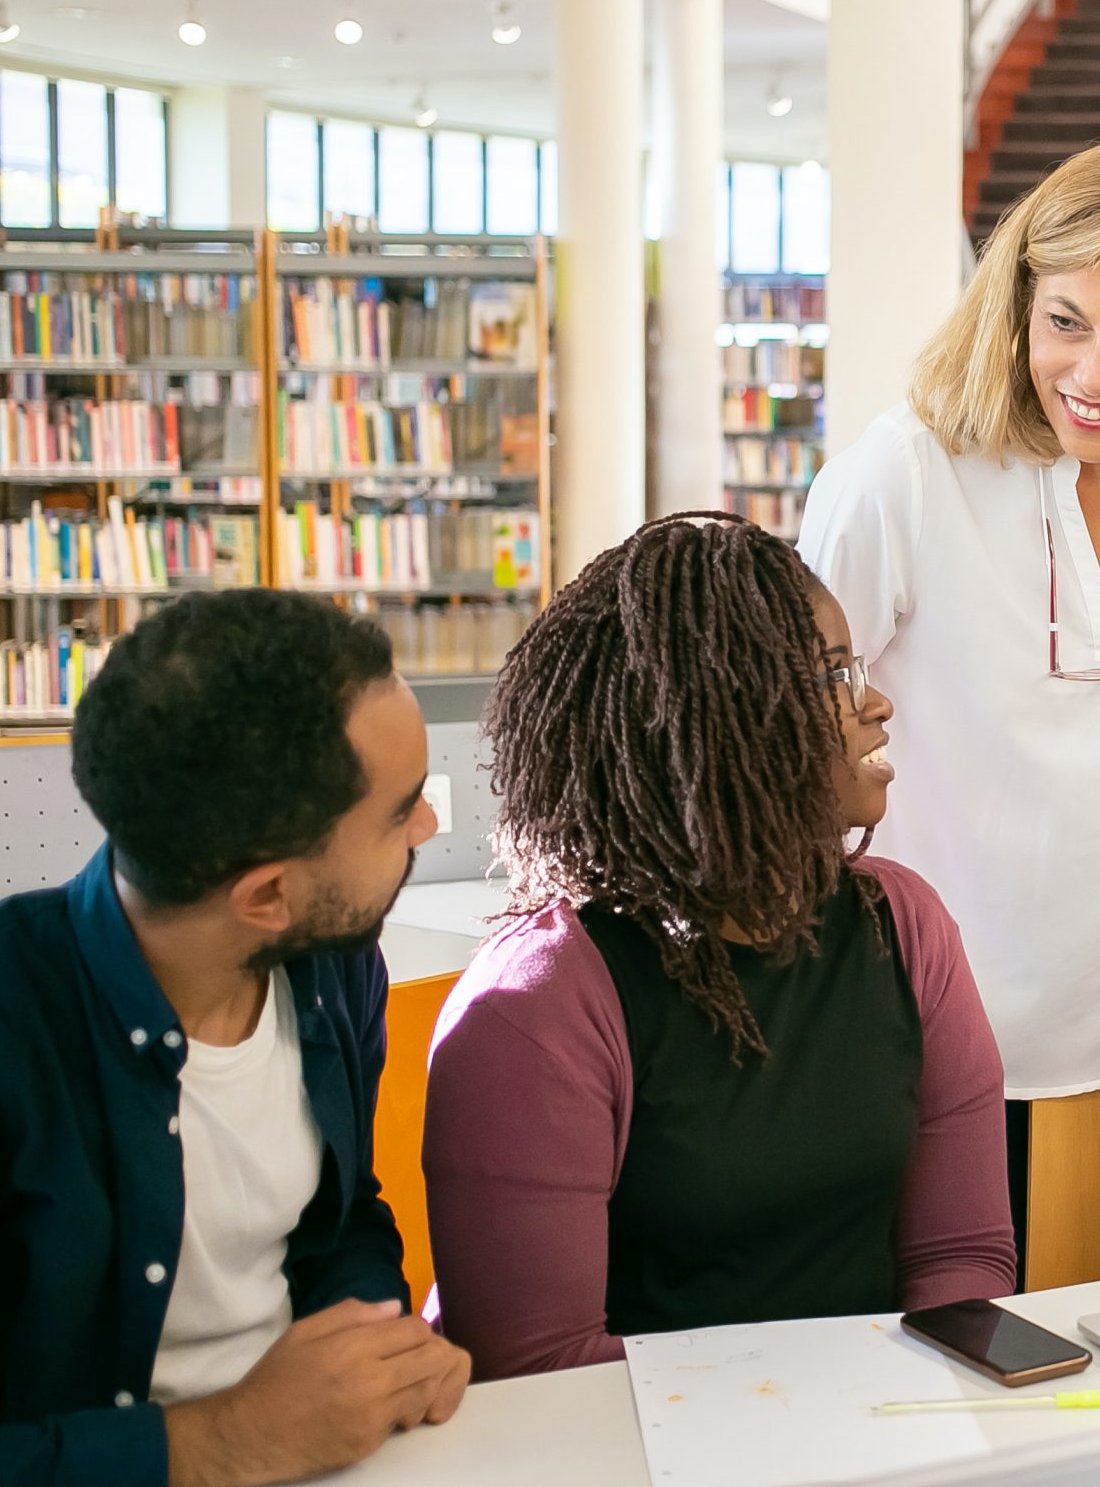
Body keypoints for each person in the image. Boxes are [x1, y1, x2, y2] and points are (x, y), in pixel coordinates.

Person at [0, 591, 467, 1487]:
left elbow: (342, 1216)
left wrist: (372, 1347)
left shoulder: (329, 965)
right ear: (264, 896)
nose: (428, 826)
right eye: (401, 810)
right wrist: (218, 1444)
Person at [798, 137, 1100, 1236]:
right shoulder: (903, 475)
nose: (1093, 374)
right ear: (1020, 298)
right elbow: (790, 746)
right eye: (1065, 322)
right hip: (921, 1034)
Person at [421, 515, 1015, 1381]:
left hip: (879, 1428)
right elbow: (541, 1366)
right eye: (835, 675)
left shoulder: (906, 926)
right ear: (720, 716)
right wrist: (799, 1419)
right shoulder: (534, 1011)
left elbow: (960, 1263)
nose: (876, 701)